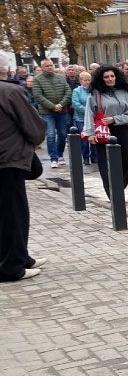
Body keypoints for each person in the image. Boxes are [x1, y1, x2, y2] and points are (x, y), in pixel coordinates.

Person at [0, 61, 47, 282]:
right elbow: (33, 124)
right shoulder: (10, 90)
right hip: (8, 159)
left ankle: (20, 257)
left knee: (9, 213)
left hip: (6, 158)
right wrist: (36, 140)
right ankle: (11, 267)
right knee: (14, 214)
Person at [84, 66, 128, 199]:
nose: (110, 79)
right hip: (103, 132)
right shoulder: (96, 93)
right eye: (106, 77)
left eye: (112, 76)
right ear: (101, 79)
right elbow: (89, 113)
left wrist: (115, 119)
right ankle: (114, 196)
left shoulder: (124, 92)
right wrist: (90, 133)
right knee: (106, 165)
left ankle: (117, 189)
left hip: (122, 129)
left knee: (127, 165)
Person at [32, 60, 72, 169]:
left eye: (51, 65)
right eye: (47, 66)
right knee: (50, 135)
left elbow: (68, 92)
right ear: (42, 67)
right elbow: (38, 96)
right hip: (47, 112)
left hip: (62, 111)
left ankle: (60, 155)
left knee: (63, 134)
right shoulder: (37, 80)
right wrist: (52, 106)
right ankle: (53, 158)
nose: (50, 67)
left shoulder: (60, 78)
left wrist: (60, 104)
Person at [71, 71, 95, 165]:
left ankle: (94, 156)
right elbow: (76, 104)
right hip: (81, 118)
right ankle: (85, 157)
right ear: (81, 81)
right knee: (84, 139)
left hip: (93, 118)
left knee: (93, 137)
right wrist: (88, 111)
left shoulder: (93, 90)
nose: (87, 82)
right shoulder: (76, 91)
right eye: (85, 80)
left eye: (89, 80)